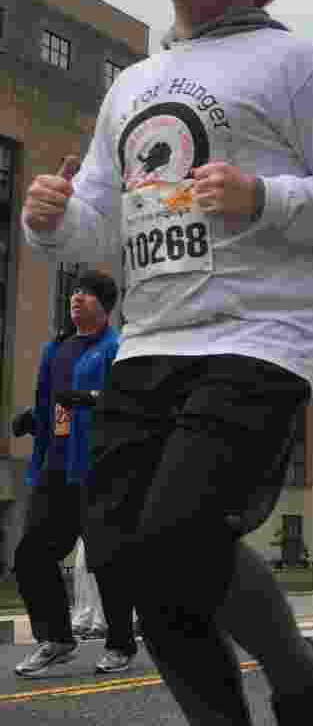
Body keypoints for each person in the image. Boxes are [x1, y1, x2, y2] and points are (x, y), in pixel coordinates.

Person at [20, 0, 313, 719]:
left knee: (178, 533)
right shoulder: (133, 85)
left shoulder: (295, 65)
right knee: (127, 555)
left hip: (257, 337)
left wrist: (264, 194)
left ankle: (298, 673)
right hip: (149, 343)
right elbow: (100, 218)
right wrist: (53, 220)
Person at [11, 270, 138, 678]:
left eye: (87, 293)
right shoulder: (57, 348)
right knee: (32, 554)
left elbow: (129, 402)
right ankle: (57, 639)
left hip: (99, 467)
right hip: (57, 465)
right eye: (75, 292)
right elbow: (52, 400)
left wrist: (91, 399)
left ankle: (120, 644)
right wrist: (36, 418)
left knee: (106, 558)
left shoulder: (116, 347)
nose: (77, 298)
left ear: (105, 305)